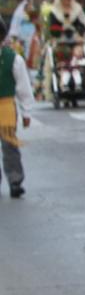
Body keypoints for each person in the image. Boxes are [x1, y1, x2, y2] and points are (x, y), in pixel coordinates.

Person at [2, 32, 32, 197]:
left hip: (5, 106)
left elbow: (23, 86)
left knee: (9, 145)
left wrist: (26, 112)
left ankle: (15, 181)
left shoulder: (13, 59)